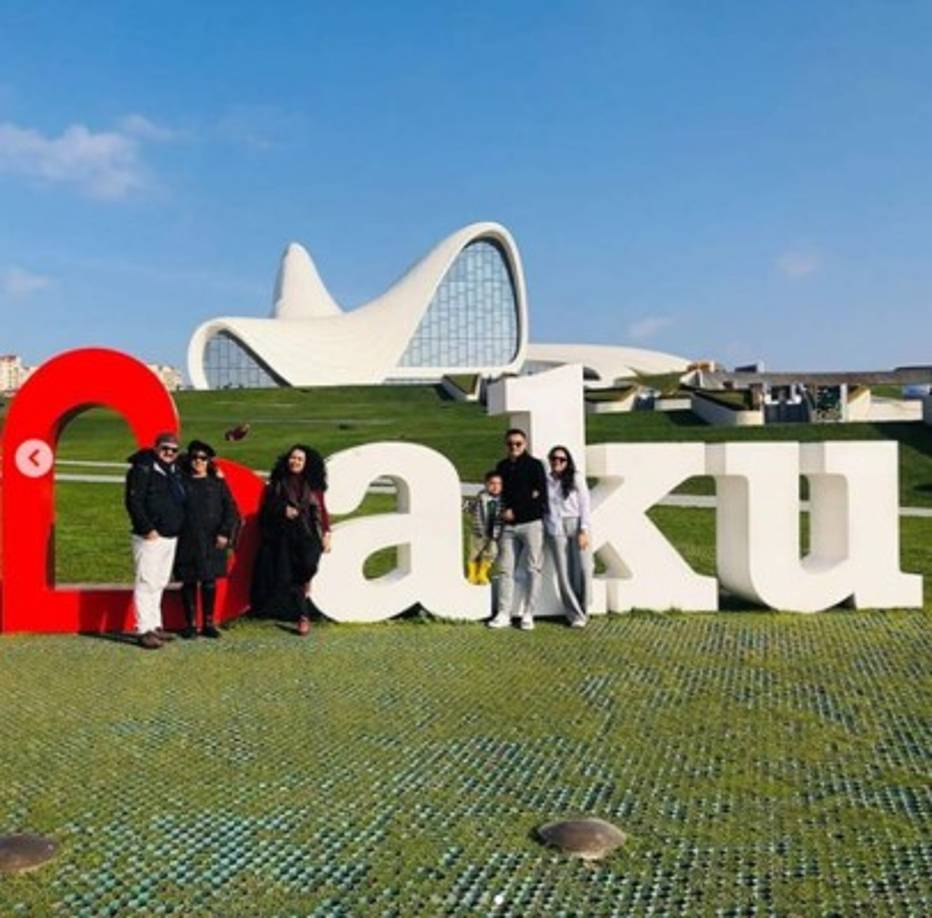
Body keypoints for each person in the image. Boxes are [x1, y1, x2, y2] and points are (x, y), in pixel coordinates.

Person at [250, 444, 331, 635]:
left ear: (306, 463)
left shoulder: (314, 485)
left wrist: (327, 533)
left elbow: (322, 511)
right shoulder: (278, 483)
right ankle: (303, 617)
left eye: (299, 459)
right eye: (292, 458)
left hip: (309, 534)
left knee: (309, 566)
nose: (295, 462)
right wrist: (282, 510)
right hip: (286, 536)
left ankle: (305, 583)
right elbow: (266, 510)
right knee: (293, 577)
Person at [124, 432, 187, 649]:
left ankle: (155, 624)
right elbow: (134, 501)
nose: (169, 453)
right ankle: (143, 629)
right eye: (165, 448)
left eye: (173, 450)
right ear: (156, 447)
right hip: (150, 535)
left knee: (159, 581)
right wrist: (147, 528)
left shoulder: (173, 470)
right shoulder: (143, 468)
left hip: (170, 535)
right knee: (146, 581)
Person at [173, 440, 240, 639]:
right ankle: (191, 624)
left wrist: (225, 532)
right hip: (187, 538)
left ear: (208, 461)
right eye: (194, 457)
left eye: (202, 458)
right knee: (189, 581)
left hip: (213, 539)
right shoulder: (180, 482)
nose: (198, 462)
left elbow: (231, 511)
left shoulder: (218, 484)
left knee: (209, 581)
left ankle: (209, 623)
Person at [488, 428, 547, 631]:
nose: (514, 447)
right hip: (508, 527)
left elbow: (540, 497)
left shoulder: (535, 466)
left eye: (518, 444)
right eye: (510, 444)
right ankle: (504, 613)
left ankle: (528, 614)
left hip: (531, 524)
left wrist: (516, 510)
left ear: (525, 444)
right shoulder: (502, 466)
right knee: (505, 569)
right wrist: (503, 512)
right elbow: (498, 493)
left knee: (533, 569)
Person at [544, 445, 592, 628]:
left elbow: (585, 504)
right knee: (563, 573)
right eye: (554, 458)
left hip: (576, 524)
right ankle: (575, 615)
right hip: (556, 527)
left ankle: (583, 608)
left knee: (583, 568)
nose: (557, 462)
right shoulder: (547, 480)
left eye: (562, 459)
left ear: (568, 461)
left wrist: (584, 529)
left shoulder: (576, 478)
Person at [466, 471, 503, 585]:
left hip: (494, 532)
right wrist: (466, 506)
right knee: (474, 552)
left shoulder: (503, 499)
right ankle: (472, 573)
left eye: (498, 484)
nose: (495, 486)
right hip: (479, 530)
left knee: (491, 552)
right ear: (486, 485)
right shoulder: (481, 496)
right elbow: (471, 507)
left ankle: (482, 572)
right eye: (492, 483)